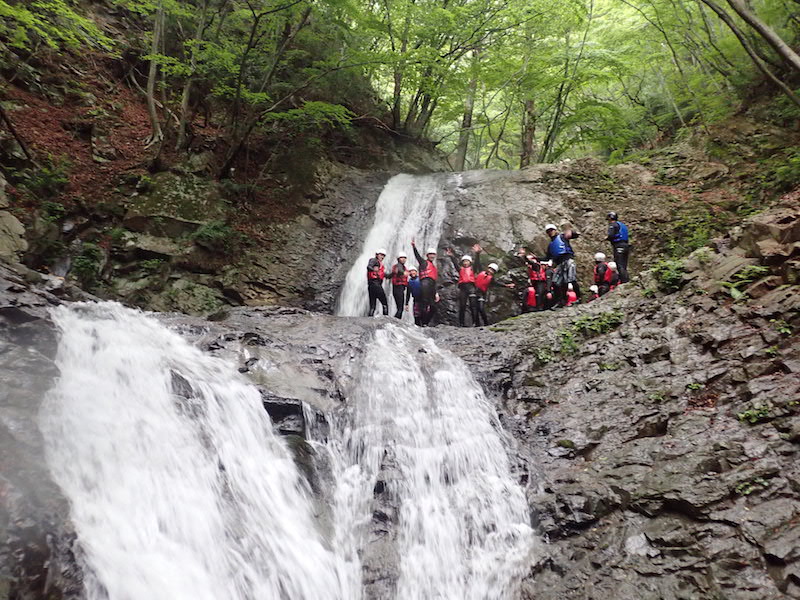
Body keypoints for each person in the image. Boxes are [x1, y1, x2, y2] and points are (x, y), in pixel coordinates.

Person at [545, 224, 581, 307]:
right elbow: (547, 258)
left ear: (555, 230)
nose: (550, 232)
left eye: (551, 230)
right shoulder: (550, 245)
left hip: (568, 259)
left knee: (571, 279)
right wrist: (535, 258)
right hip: (559, 263)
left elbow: (575, 235)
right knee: (556, 282)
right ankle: (561, 301)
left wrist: (572, 232)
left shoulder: (562, 237)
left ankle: (578, 298)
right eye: (548, 231)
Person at [447, 244, 482, 327]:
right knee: (462, 306)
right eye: (464, 261)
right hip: (463, 288)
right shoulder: (460, 269)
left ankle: (475, 322)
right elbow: (455, 264)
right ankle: (461, 323)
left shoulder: (473, 269)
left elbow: (477, 262)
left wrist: (477, 254)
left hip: (471, 287)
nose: (465, 263)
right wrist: (451, 256)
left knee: (473, 305)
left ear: (470, 262)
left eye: (467, 261)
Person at [475, 261, 514, 326]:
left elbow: (497, 283)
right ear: (488, 268)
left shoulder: (491, 279)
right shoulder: (481, 272)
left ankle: (486, 323)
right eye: (490, 269)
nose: (490, 271)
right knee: (475, 308)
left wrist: (506, 285)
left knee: (481, 308)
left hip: (482, 294)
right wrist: (477, 253)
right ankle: (476, 324)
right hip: (475, 292)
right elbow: (477, 264)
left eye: (492, 270)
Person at [412, 239, 438, 326]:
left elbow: (434, 281)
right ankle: (422, 323)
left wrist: (436, 293)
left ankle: (425, 322)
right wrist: (414, 247)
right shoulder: (424, 262)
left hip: (432, 285)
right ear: (427, 255)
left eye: (433, 254)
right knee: (424, 304)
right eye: (430, 254)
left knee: (433, 307)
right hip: (425, 284)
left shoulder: (434, 267)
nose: (432, 256)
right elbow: (418, 257)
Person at [606, 212, 630, 283]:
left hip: (618, 245)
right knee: (624, 264)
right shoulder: (622, 225)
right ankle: (626, 280)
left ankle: (624, 281)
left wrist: (607, 238)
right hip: (626, 245)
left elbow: (611, 235)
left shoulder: (613, 225)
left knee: (619, 264)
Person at [366, 249, 389, 316]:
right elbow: (369, 266)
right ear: (377, 254)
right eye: (381, 255)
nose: (382, 257)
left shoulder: (379, 264)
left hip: (371, 285)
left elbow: (385, 275)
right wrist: (374, 270)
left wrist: (394, 274)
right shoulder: (374, 260)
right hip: (376, 284)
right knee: (384, 303)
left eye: (383, 256)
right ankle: (386, 320)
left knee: (372, 305)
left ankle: (369, 319)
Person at [390, 252, 411, 319]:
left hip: (399, 288)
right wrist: (403, 272)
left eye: (404, 258)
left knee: (400, 308)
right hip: (398, 288)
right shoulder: (398, 266)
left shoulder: (403, 267)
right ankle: (395, 322)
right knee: (400, 308)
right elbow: (399, 269)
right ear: (398, 259)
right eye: (401, 258)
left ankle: (395, 321)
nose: (403, 259)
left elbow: (391, 274)